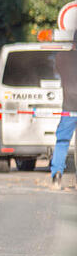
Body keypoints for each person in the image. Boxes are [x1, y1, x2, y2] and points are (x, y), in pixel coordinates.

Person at [50, 42, 77, 189]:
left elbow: (56, 71)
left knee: (62, 141)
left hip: (69, 106)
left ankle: (57, 175)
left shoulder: (62, 57)